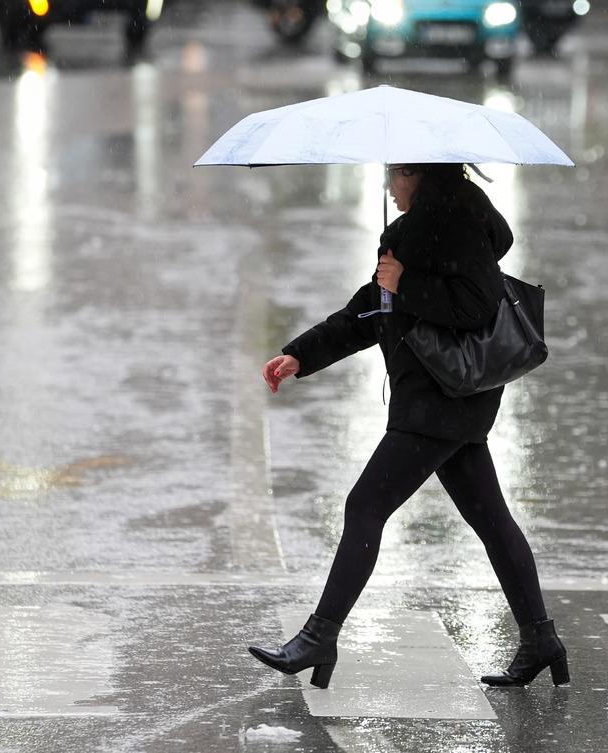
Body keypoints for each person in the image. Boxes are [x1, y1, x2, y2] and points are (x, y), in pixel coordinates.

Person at [248, 163, 569, 690]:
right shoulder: (423, 227)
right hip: (450, 400)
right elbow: (371, 308)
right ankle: (540, 639)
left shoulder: (452, 223)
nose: (389, 186)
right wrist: (300, 356)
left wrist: (407, 283)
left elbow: (475, 306)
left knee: (365, 506)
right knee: (491, 521)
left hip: (438, 401)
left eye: (396, 175)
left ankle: (319, 636)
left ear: (421, 177)